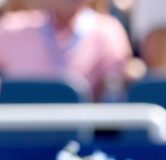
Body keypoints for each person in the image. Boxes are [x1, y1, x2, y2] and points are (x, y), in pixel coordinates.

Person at [0, 0, 134, 101]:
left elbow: (114, 93)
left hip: (80, 129)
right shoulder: (9, 29)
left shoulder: (109, 31)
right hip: (14, 130)